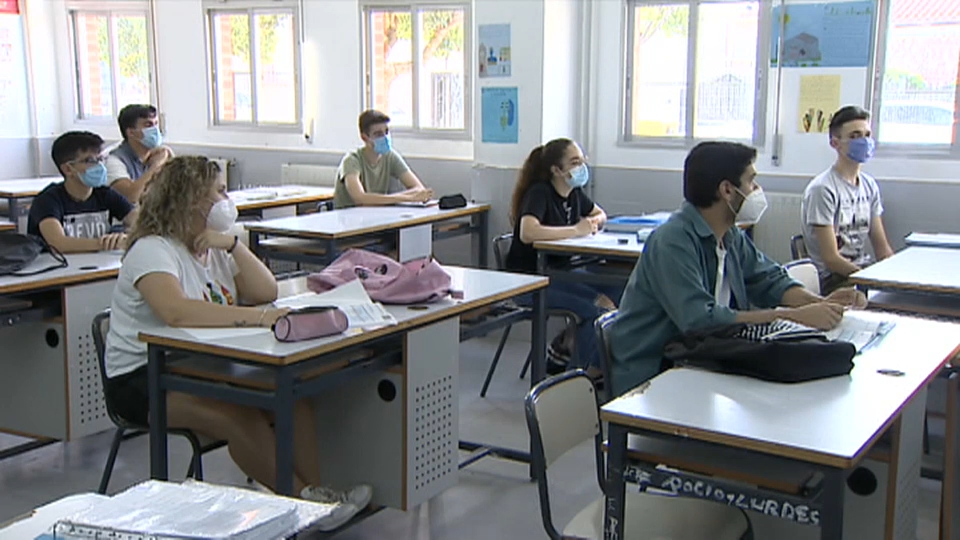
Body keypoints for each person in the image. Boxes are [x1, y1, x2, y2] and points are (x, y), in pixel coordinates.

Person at [103, 156, 371, 530]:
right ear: (191, 199)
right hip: (144, 377)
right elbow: (176, 312)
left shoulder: (210, 247)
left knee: (294, 396)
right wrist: (259, 319)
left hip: (203, 363)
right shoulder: (153, 249)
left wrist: (232, 245)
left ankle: (314, 497)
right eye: (219, 192)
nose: (227, 199)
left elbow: (265, 290)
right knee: (237, 414)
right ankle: (305, 504)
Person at [607, 142, 867, 397]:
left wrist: (822, 305)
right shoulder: (672, 241)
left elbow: (770, 280)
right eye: (751, 181)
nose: (756, 189)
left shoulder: (730, 235)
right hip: (654, 375)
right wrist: (795, 316)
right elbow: (700, 320)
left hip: (701, 358)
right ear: (727, 190)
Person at [504, 138, 621, 377]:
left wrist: (593, 223)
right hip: (531, 281)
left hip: (562, 273)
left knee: (621, 287)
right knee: (597, 310)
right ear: (556, 170)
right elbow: (527, 232)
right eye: (574, 162)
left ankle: (573, 353)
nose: (581, 167)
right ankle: (573, 380)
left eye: (582, 161)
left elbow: (600, 213)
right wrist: (576, 230)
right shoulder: (540, 193)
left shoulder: (574, 193)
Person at [802, 105, 894, 294]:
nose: (864, 141)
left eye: (867, 135)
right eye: (854, 136)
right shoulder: (823, 189)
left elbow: (882, 248)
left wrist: (893, 278)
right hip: (833, 279)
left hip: (861, 271)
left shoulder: (869, 186)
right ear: (835, 143)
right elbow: (831, 258)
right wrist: (868, 279)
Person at [27, 131, 137, 254]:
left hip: (97, 266)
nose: (99, 166)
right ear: (68, 169)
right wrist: (106, 243)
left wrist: (125, 237)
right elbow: (58, 243)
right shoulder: (48, 200)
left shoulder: (105, 194)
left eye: (101, 159)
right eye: (90, 161)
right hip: (57, 268)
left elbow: (142, 223)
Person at [332, 109, 433, 208]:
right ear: (364, 137)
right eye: (378, 134)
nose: (385, 137)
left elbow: (419, 188)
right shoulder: (352, 160)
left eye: (386, 132)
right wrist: (406, 198)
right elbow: (360, 198)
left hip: (375, 214)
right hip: (348, 218)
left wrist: (407, 197)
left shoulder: (390, 156)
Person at [105, 104, 175, 203]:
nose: (155, 130)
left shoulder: (162, 153)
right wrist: (155, 166)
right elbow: (131, 197)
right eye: (148, 125)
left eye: (156, 124)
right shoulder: (114, 160)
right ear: (131, 133)